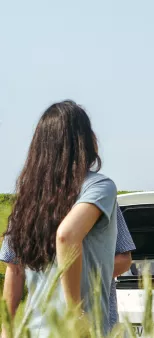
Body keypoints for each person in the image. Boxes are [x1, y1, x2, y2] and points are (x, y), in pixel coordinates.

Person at [0, 100, 121, 336]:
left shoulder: (29, 198)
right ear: (83, 140)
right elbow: (66, 236)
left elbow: (13, 269)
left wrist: (5, 330)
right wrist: (75, 313)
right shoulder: (99, 187)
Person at [0, 206, 136, 330]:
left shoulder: (99, 199)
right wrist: (6, 329)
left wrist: (72, 279)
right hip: (41, 327)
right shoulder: (26, 201)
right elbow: (14, 268)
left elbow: (124, 259)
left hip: (94, 326)